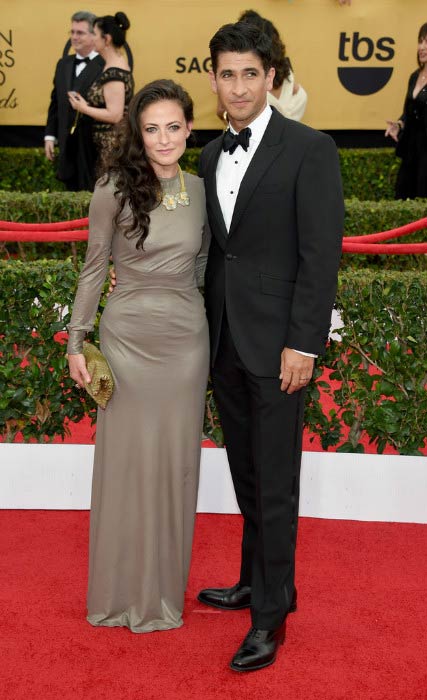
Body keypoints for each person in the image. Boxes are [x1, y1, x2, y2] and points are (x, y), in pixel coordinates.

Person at [196, 22, 344, 672]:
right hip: (225, 341)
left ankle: (270, 619)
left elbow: (320, 256)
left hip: (279, 348)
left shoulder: (308, 149)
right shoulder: (206, 154)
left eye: (249, 74)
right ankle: (255, 582)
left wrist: (303, 344)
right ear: (213, 79)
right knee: (247, 475)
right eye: (226, 74)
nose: (237, 86)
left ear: (272, 79)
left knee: (276, 485)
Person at [67, 79, 210, 633]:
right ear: (137, 132)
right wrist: (78, 341)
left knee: (175, 466)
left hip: (185, 343)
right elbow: (94, 266)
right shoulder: (111, 188)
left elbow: (201, 270)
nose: (163, 138)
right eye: (151, 129)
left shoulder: (200, 190)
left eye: (174, 127)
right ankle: (118, 592)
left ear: (190, 128)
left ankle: (161, 594)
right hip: (127, 341)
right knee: (125, 464)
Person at [68, 12, 134, 188]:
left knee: (108, 193)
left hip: (109, 148)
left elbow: (115, 114)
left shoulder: (114, 72)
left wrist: (82, 107)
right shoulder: (113, 65)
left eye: (95, 34)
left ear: (107, 39)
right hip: (104, 146)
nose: (92, 39)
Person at [44, 11, 105, 191]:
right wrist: (50, 135)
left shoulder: (106, 65)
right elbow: (56, 102)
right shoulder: (63, 64)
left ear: (94, 35)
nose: (74, 37)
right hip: (67, 149)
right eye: (72, 32)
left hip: (94, 150)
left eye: (80, 33)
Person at [385, 22, 427, 199]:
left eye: (426, 42)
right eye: (420, 41)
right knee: (403, 196)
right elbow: (407, 112)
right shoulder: (414, 76)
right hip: (411, 150)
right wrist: (399, 124)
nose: (421, 47)